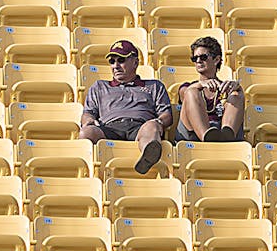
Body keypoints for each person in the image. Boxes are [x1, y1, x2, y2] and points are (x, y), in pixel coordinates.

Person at [78, 39, 173, 175]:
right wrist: (88, 121)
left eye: (121, 60)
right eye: (112, 61)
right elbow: (88, 112)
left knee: (152, 127)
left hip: (140, 127)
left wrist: (158, 122)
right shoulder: (99, 86)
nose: (115, 66)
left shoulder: (154, 86)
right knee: (86, 132)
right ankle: (88, 174)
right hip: (109, 128)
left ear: (135, 62)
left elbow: (166, 115)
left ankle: (147, 158)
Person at [177, 36, 245, 143]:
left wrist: (237, 87)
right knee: (191, 92)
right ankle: (206, 136)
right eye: (195, 58)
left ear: (216, 59)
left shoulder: (225, 88)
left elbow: (236, 93)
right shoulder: (189, 86)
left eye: (203, 57)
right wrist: (201, 84)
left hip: (220, 130)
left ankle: (228, 133)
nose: (198, 61)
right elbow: (183, 93)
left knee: (237, 93)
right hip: (193, 133)